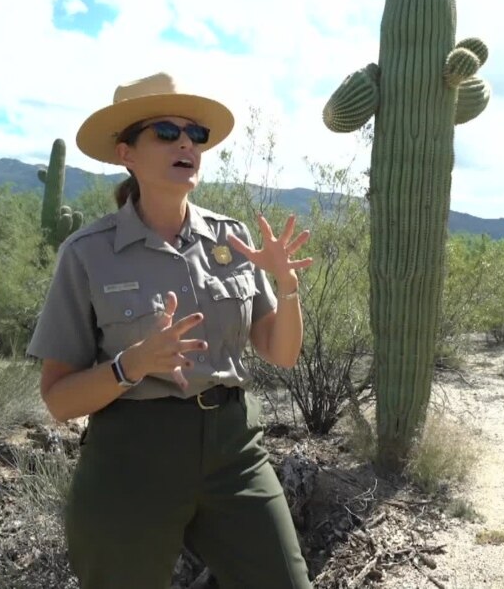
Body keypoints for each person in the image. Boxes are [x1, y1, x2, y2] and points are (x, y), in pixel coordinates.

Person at [26, 71, 315, 588]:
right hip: (132, 457)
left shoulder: (233, 238)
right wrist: (130, 364)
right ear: (126, 154)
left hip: (234, 450)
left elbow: (282, 352)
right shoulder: (88, 254)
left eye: (195, 134)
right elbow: (59, 400)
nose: (186, 142)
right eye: (165, 131)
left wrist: (287, 286)